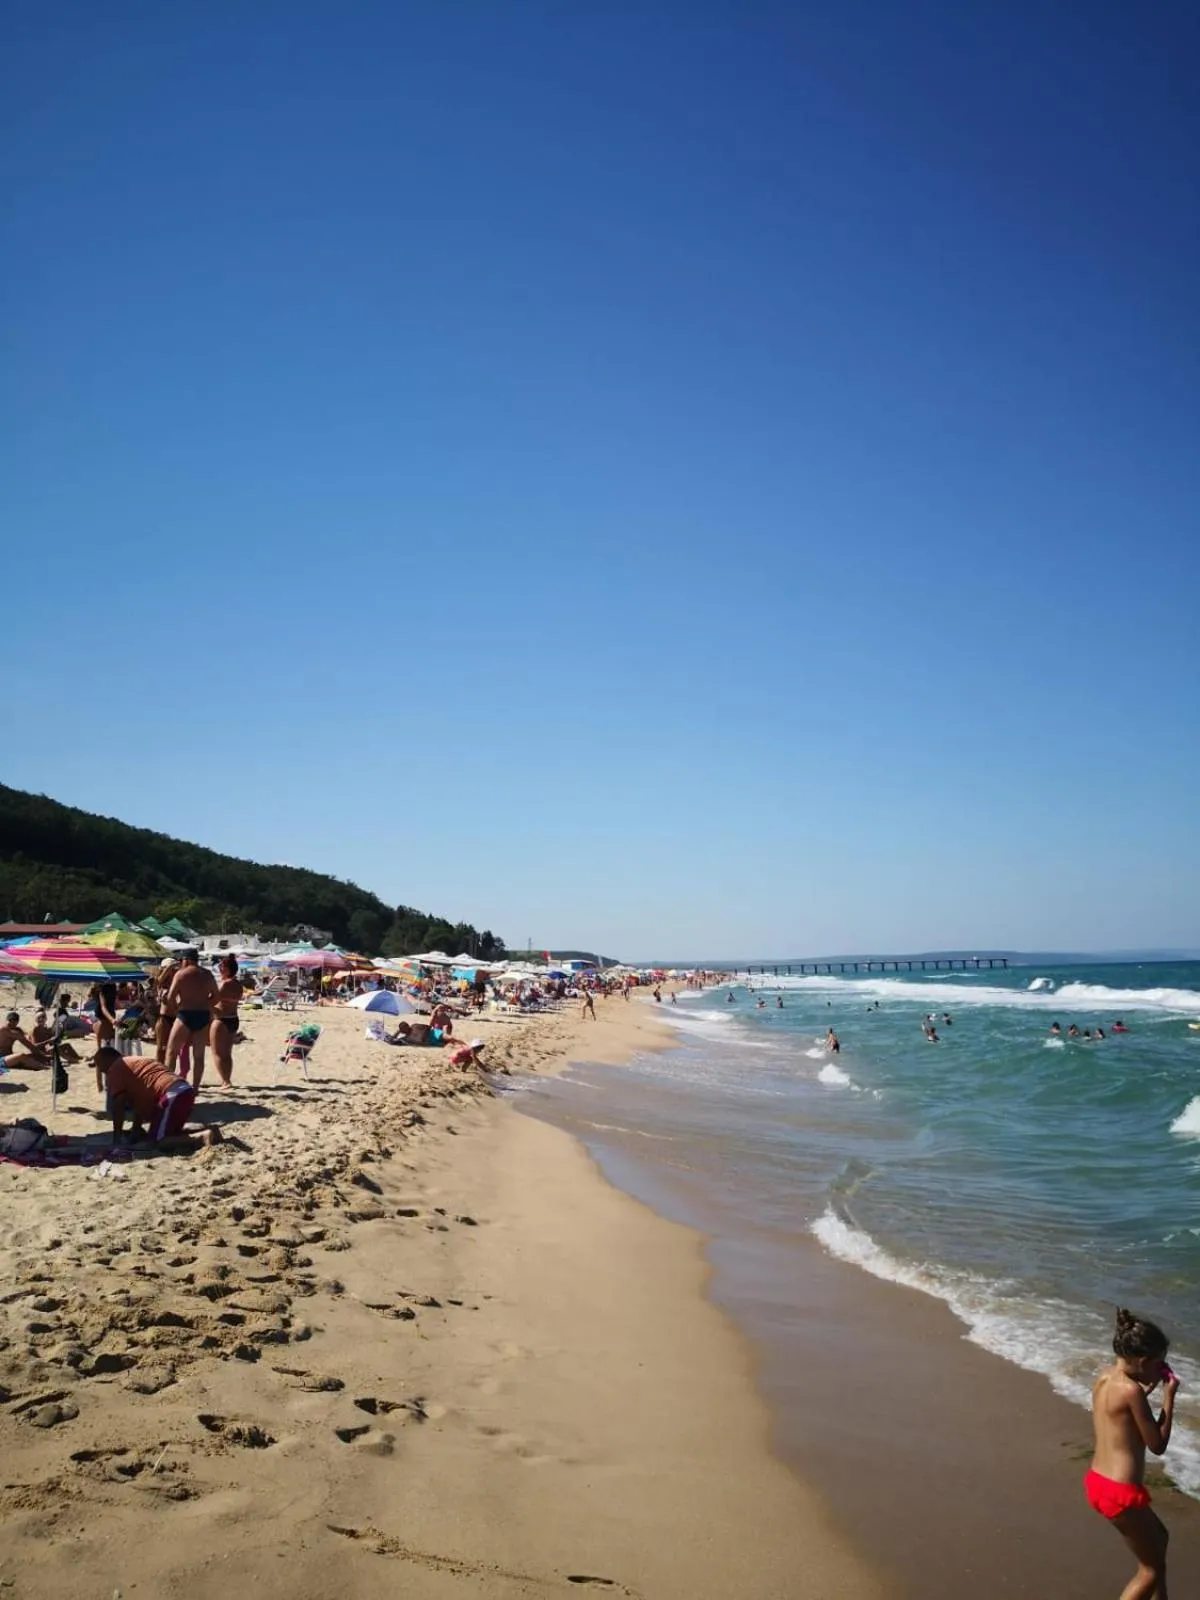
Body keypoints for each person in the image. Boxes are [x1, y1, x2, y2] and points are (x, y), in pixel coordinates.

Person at [1086, 1307, 1177, 1599]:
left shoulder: (1105, 1377)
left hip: (1098, 1481)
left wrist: (1146, 1393)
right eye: (1157, 1364)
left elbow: (1120, 1419)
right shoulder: (1131, 1392)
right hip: (1121, 1492)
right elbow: (1157, 1445)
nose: (1158, 1370)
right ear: (1142, 1361)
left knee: (1160, 1538)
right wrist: (1169, 1397)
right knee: (1150, 1569)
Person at [93, 1045, 212, 1147]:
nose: (100, 1070)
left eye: (99, 1064)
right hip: (183, 1090)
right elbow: (139, 1105)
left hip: (171, 1094)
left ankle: (202, 1137)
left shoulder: (116, 1068)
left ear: (107, 1058)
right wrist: (136, 1130)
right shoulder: (135, 1062)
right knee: (169, 1133)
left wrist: (116, 1138)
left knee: (158, 1141)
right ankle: (207, 1131)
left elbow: (118, 1106)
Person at [165, 950, 219, 1088]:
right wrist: (205, 1004)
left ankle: (169, 1086)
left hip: (185, 1014)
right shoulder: (207, 974)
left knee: (171, 1052)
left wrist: (176, 1009)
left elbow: (170, 997)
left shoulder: (181, 974)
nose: (180, 963)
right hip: (202, 1015)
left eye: (181, 961)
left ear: (187, 960)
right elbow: (216, 997)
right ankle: (195, 1088)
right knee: (198, 1056)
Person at [209, 954, 244, 1089]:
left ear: (227, 969)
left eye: (221, 966)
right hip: (233, 1019)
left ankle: (225, 1081)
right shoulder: (238, 984)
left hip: (221, 1020)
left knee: (217, 1053)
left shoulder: (225, 984)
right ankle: (227, 1079)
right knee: (227, 1053)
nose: (219, 968)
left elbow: (211, 1000)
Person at [155, 958, 179, 1063]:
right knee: (161, 1049)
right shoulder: (161, 984)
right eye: (172, 970)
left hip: (176, 1018)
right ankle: (159, 1069)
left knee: (172, 1050)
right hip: (164, 1019)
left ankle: (169, 1070)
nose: (174, 971)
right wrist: (171, 966)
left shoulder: (177, 982)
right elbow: (159, 979)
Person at [90, 982, 118, 1050]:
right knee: (102, 1030)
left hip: (109, 1012)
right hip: (101, 1014)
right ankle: (99, 1049)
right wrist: (111, 1019)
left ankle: (104, 1046)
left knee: (107, 1033)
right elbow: (103, 1007)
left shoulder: (113, 986)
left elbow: (112, 1002)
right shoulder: (103, 989)